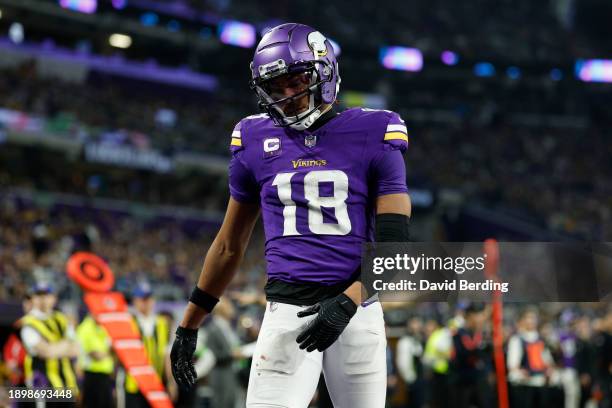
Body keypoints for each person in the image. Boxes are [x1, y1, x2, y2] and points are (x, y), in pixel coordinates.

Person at [170, 22, 411, 408]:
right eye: (276, 87)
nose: (288, 95)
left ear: (324, 71)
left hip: (358, 309)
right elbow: (229, 246)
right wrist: (189, 324)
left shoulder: (374, 131)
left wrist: (348, 302)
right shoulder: (252, 139)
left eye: (297, 81)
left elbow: (396, 249)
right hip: (286, 311)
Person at [20, 283, 79, 406]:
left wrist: (55, 348)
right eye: (38, 295)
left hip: (67, 384)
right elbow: (47, 352)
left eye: (46, 295)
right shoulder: (28, 323)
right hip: (43, 386)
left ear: (54, 298)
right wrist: (66, 345)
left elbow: (76, 349)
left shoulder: (62, 319)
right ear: (33, 299)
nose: (43, 299)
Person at [117, 282, 169, 408]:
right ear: (135, 301)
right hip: (133, 384)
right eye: (142, 299)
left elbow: (166, 354)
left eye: (148, 298)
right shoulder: (127, 322)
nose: (146, 302)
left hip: (156, 383)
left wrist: (171, 383)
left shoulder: (162, 323)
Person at [76, 314, 114, 408]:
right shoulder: (85, 327)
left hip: (106, 375)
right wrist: (111, 352)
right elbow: (96, 355)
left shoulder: (104, 325)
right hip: (91, 375)